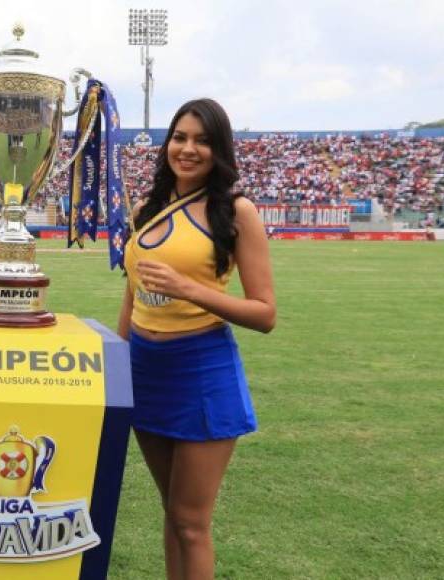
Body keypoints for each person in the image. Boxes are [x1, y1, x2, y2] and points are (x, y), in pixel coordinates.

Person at [118, 98, 276, 579]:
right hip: (145, 369)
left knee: (192, 523)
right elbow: (133, 293)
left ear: (220, 149)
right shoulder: (145, 208)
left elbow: (265, 313)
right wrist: (117, 360)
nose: (188, 149)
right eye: (180, 137)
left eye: (203, 141)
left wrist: (189, 288)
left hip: (201, 369)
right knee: (172, 513)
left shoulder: (237, 211)